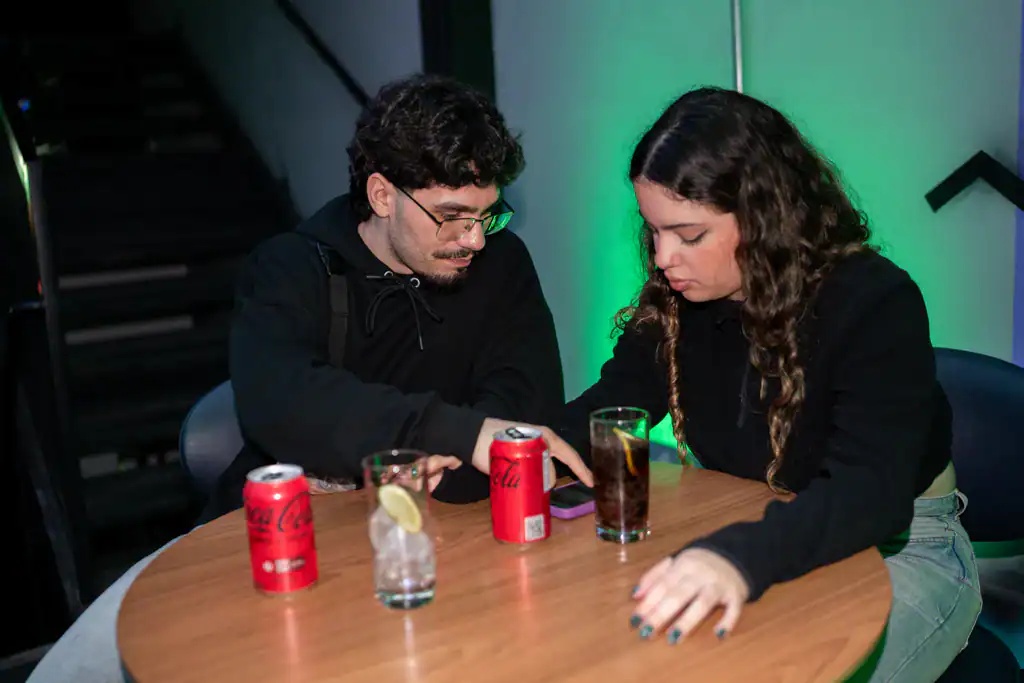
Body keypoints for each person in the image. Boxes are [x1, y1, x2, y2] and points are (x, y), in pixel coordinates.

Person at [28, 73, 590, 683]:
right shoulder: (290, 268)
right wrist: (456, 435)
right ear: (383, 195)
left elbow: (526, 398)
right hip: (281, 550)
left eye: (487, 215)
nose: (474, 239)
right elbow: (282, 399)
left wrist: (439, 460)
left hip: (442, 544)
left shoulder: (502, 262)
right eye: (452, 217)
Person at [476, 87, 981, 682]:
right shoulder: (681, 299)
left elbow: (869, 492)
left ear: (764, 218)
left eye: (688, 236)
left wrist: (739, 558)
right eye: (653, 231)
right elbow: (614, 404)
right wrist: (505, 445)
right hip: (755, 527)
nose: (662, 257)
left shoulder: (873, 301)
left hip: (901, 550)